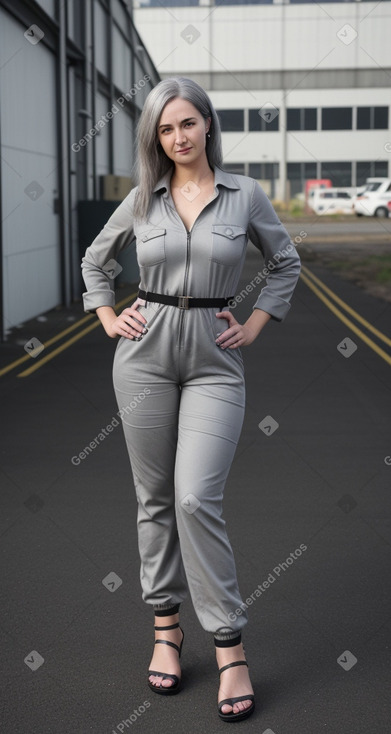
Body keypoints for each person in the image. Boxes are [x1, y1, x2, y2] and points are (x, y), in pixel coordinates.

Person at [81, 76, 301, 723]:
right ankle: (166, 631)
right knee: (153, 499)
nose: (177, 137)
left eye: (187, 123)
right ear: (156, 136)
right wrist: (105, 315)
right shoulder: (142, 202)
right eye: (165, 128)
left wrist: (256, 324)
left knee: (193, 497)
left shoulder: (245, 196)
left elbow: (284, 262)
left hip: (214, 360)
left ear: (207, 125)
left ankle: (229, 647)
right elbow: (96, 263)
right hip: (143, 357)